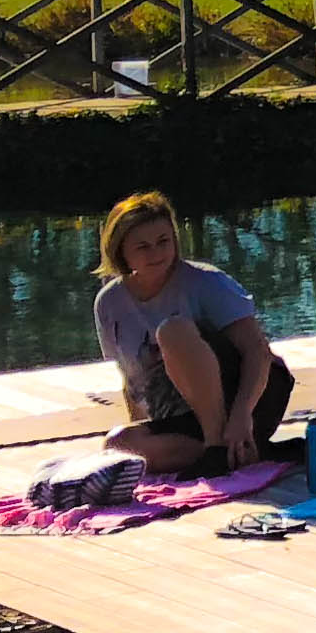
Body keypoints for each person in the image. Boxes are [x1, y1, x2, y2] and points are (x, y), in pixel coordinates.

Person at [92, 190, 292, 475]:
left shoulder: (206, 282)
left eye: (163, 241)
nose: (156, 253)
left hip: (248, 396)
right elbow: (133, 380)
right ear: (120, 250)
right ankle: (244, 452)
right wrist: (144, 432)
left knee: (173, 332)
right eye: (143, 247)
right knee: (118, 447)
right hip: (181, 413)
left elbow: (258, 352)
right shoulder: (109, 303)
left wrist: (241, 415)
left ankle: (219, 448)